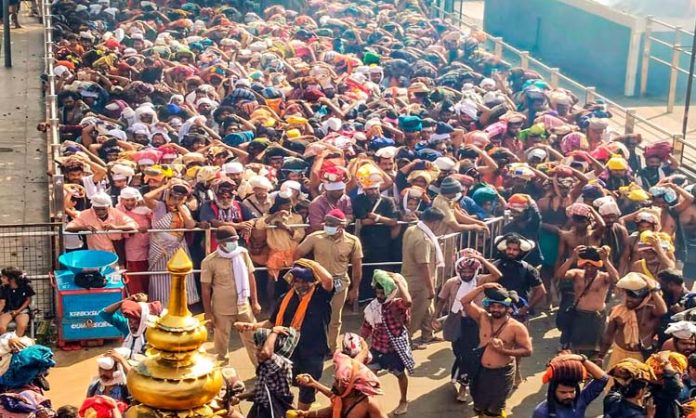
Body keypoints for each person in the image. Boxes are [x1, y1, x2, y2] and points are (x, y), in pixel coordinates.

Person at [234, 259, 334, 411]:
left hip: (313, 351)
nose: (300, 285)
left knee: (307, 386)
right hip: (289, 349)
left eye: (304, 281)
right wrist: (251, 326)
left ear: (313, 282)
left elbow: (328, 280)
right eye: (297, 281)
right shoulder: (285, 299)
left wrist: (309, 263)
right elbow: (271, 323)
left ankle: (301, 414)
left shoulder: (320, 296)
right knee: (280, 382)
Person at [433, 249, 502, 402]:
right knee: (459, 353)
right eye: (463, 271)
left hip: (477, 323)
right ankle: (462, 378)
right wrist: (435, 317)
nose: (466, 274)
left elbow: (498, 275)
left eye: (470, 271)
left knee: (471, 355)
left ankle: (463, 387)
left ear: (476, 270)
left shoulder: (481, 281)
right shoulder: (451, 282)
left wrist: (481, 259)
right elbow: (441, 300)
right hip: (457, 321)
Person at [295, 209, 363, 352]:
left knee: (334, 319)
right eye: (327, 223)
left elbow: (357, 267)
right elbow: (298, 254)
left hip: (340, 283)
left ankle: (332, 347)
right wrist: (305, 274)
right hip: (318, 284)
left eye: (332, 224)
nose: (328, 226)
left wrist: (355, 288)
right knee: (314, 315)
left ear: (341, 226)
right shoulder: (315, 237)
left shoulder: (352, 241)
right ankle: (315, 346)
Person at [461, 283, 533, 418]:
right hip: (480, 370)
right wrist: (482, 287)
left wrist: (504, 350)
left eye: (500, 307)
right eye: (493, 306)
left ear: (507, 308)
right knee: (479, 407)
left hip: (502, 373)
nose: (496, 309)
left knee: (494, 410)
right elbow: (464, 301)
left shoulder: (516, 327)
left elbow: (527, 350)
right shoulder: (483, 317)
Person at [201, 226, 261, 365]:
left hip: (243, 305)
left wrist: (255, 301)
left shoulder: (242, 253)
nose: (233, 244)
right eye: (230, 241)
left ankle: (261, 370)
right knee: (221, 343)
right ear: (220, 243)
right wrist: (208, 313)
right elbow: (205, 289)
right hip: (222, 309)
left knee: (254, 338)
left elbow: (250, 276)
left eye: (235, 240)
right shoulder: (209, 261)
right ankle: (222, 375)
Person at [360, 270, 413, 415]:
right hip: (377, 348)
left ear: (391, 292)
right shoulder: (373, 307)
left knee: (400, 375)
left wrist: (398, 282)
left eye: (382, 294)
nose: (379, 296)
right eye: (377, 293)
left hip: (393, 350)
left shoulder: (397, 305)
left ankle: (403, 401)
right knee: (369, 376)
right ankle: (369, 404)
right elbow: (366, 326)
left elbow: (408, 302)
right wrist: (359, 342)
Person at [555, 245, 619, 358]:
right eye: (587, 265)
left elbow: (616, 279)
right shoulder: (576, 274)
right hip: (579, 316)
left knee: (595, 349)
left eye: (592, 266)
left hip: (596, 317)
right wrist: (572, 258)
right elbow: (559, 275)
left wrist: (606, 260)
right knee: (576, 348)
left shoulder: (604, 277)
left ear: (598, 266)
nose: (589, 268)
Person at [143, 181, 200, 306]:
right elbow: (147, 197)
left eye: (180, 198)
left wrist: (179, 206)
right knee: (161, 278)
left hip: (178, 249)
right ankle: (160, 307)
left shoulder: (183, 208)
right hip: (160, 250)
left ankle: (183, 305)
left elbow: (190, 225)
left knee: (181, 276)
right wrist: (165, 186)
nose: (175, 200)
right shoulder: (159, 206)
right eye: (174, 197)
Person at [599, 273, 668, 368]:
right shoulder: (617, 311)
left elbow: (663, 310)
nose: (629, 300)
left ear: (645, 298)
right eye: (628, 296)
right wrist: (601, 357)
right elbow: (609, 335)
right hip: (619, 354)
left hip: (640, 357)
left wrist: (653, 290)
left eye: (634, 297)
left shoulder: (650, 311)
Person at [400, 207, 446, 348]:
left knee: (428, 310)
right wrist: (430, 287)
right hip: (420, 282)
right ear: (435, 222)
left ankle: (427, 334)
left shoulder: (412, 230)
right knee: (415, 312)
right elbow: (423, 265)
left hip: (412, 276)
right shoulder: (424, 239)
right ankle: (406, 340)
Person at [295, 352, 388, 418]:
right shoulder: (345, 396)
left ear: (351, 387)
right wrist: (306, 414)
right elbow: (332, 405)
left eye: (338, 382)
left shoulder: (368, 404)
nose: (334, 384)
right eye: (336, 380)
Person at [242, 326, 299, 418]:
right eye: (257, 349)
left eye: (261, 350)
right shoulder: (264, 365)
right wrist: (239, 397)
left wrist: (274, 332)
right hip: (262, 407)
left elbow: (266, 353)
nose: (258, 353)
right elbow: (261, 389)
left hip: (277, 409)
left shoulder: (282, 363)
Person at [532, 353, 609, 418]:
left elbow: (603, 379)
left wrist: (582, 359)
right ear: (552, 390)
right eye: (563, 392)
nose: (569, 396)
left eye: (572, 391)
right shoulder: (542, 412)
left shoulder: (580, 400)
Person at [65, 191, 138, 254]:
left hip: (115, 254)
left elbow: (134, 226)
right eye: (97, 209)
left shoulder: (116, 213)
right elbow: (68, 228)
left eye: (103, 209)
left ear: (109, 207)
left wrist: (116, 228)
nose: (100, 212)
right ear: (93, 207)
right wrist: (83, 228)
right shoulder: (85, 214)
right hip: (95, 254)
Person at [492, 233, 547, 316]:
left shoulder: (527, 268)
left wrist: (526, 307)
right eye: (509, 248)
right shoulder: (494, 266)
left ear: (520, 251)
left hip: (518, 313)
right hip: (496, 312)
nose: (511, 252)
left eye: (515, 250)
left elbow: (541, 291)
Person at [98, 294, 162, 360]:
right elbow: (103, 314)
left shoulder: (152, 335)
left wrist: (121, 359)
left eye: (135, 320)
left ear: (143, 318)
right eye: (130, 319)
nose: (131, 324)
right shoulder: (126, 325)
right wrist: (123, 302)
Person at [115, 187, 151, 295]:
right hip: (132, 247)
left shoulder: (145, 209)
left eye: (132, 200)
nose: (130, 202)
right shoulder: (118, 211)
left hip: (149, 245)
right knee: (135, 273)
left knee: (147, 273)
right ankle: (137, 297)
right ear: (122, 200)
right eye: (127, 200)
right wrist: (130, 231)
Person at [0, 267, 35, 337]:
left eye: (4, 277)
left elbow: (28, 300)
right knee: (1, 327)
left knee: (22, 326)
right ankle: (7, 342)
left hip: (22, 311)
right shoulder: (3, 287)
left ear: (12, 279)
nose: (1, 279)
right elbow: (2, 303)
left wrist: (18, 311)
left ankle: (16, 343)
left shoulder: (26, 286)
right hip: (8, 311)